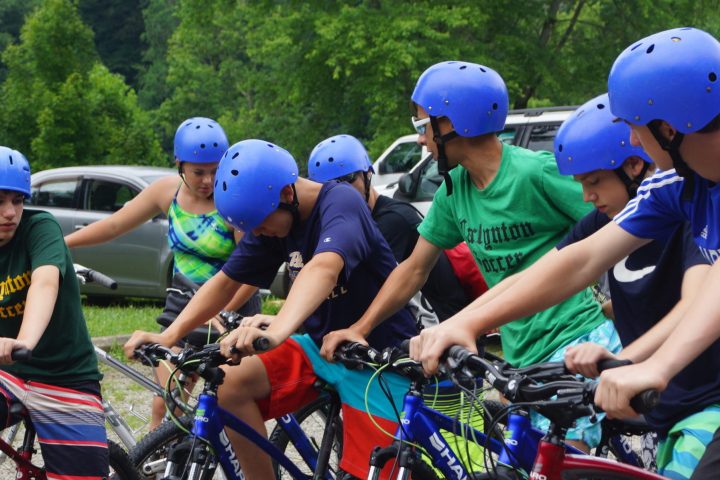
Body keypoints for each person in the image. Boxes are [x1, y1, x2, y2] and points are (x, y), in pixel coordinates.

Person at [407, 28, 720, 479]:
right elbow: (578, 260)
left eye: (634, 128)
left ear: (668, 128)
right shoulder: (678, 187)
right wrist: (466, 323)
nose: (632, 143)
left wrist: (653, 364)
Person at [324, 61, 619, 452]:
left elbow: (616, 225)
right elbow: (413, 270)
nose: (420, 140)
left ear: (453, 123)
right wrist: (360, 328)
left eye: (421, 126)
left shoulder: (535, 173)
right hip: (518, 360)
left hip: (578, 342)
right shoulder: (452, 192)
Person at [124, 139, 418, 479]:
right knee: (230, 386)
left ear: (287, 195)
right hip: (321, 348)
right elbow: (226, 281)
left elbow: (323, 267)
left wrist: (278, 330)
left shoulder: (341, 202)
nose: (259, 234)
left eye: (261, 224)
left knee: (375, 470)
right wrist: (168, 334)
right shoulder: (272, 217)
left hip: (377, 359)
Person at [553, 93, 719, 478]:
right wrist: (465, 322)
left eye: (594, 181)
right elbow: (570, 264)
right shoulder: (618, 214)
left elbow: (693, 302)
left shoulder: (690, 208)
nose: (586, 196)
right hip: (661, 403)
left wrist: (635, 359)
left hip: (704, 398)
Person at [65, 116, 261, 429]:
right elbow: (116, 224)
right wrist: (62, 244)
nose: (208, 181)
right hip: (182, 307)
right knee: (168, 403)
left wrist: (225, 309)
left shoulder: (231, 201)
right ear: (179, 165)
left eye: (216, 170)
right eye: (199, 172)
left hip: (230, 311)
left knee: (231, 404)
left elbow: (251, 270)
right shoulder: (166, 192)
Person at [0, 146, 108, 479]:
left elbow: (45, 284)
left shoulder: (39, 227)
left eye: (17, 201)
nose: (10, 213)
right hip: (7, 376)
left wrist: (23, 342)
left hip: (66, 376)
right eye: (0, 201)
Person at [307, 133, 486, 323]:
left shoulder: (392, 220)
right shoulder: (346, 223)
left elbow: (357, 286)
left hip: (438, 325)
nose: (340, 191)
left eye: (347, 179)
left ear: (368, 174)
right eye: (328, 186)